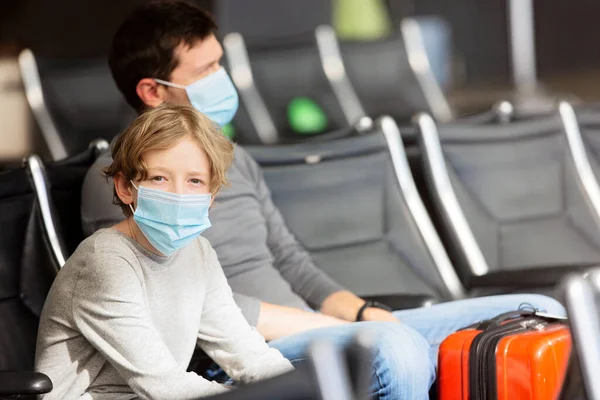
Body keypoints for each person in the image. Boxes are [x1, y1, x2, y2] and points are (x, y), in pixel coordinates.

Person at [80, 1, 566, 398]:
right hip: (237, 358)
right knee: (395, 350)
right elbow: (180, 301)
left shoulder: (235, 159)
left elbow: (291, 261)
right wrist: (332, 327)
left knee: (538, 310)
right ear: (153, 91)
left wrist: (359, 312)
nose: (222, 80)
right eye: (205, 71)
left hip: (315, 329)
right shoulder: (120, 180)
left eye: (219, 65)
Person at [36, 104, 293, 399]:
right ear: (125, 187)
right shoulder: (105, 261)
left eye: (195, 181)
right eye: (159, 178)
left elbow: (246, 352)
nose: (179, 194)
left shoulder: (199, 252)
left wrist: (304, 389)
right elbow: (165, 386)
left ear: (211, 195)